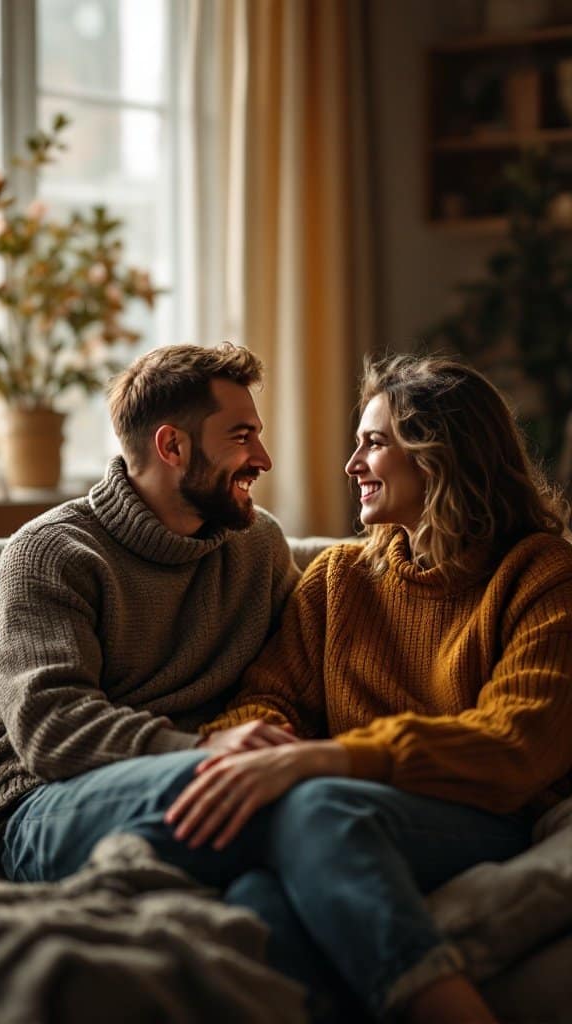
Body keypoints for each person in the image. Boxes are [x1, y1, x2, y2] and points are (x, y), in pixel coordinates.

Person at [160, 354, 572, 1023]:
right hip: (343, 804)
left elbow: (517, 742)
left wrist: (327, 759)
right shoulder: (338, 578)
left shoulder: (540, 575)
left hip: (478, 816)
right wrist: (269, 738)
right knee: (259, 895)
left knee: (317, 810)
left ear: (443, 457)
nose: (351, 464)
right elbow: (267, 694)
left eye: (374, 443)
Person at [0, 342, 301, 881]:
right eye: (241, 436)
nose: (263, 459)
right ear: (173, 446)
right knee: (276, 807)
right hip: (45, 805)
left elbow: (305, 662)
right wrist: (204, 747)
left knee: (283, 849)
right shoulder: (50, 554)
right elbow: (52, 729)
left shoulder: (258, 545)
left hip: (204, 778)